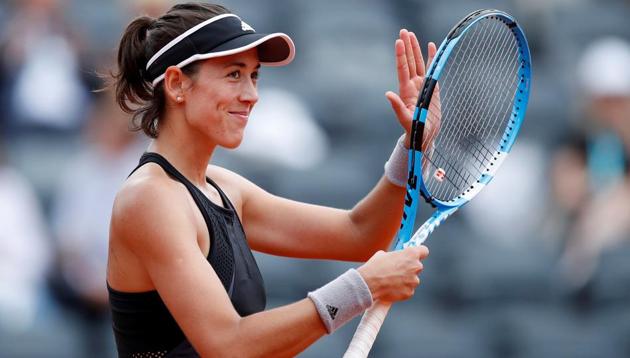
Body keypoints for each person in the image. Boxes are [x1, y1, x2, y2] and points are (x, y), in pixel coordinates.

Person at [106, 3, 436, 357]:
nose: (251, 94)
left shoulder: (224, 188)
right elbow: (228, 345)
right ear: (177, 84)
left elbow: (362, 234)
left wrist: (412, 146)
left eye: (254, 75)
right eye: (234, 74)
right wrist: (363, 286)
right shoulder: (149, 199)